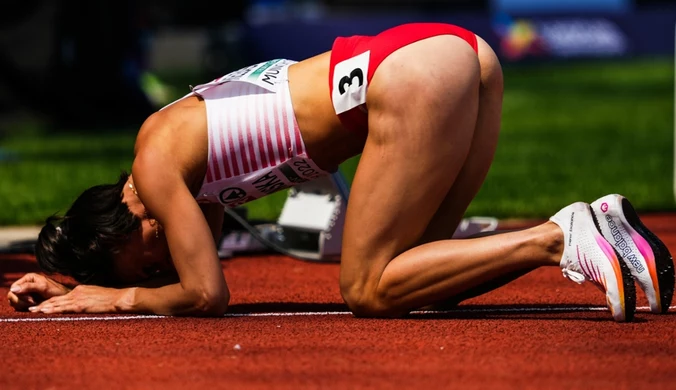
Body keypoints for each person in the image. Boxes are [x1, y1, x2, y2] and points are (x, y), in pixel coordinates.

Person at [7, 23, 673, 322]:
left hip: (406, 75)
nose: (159, 270)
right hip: (455, 56)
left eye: (143, 263)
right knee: (422, 280)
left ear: (131, 220)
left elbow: (204, 296)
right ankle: (601, 226)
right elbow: (193, 275)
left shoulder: (153, 164)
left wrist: (112, 297)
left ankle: (558, 237)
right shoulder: (179, 165)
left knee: (367, 292)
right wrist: (66, 283)